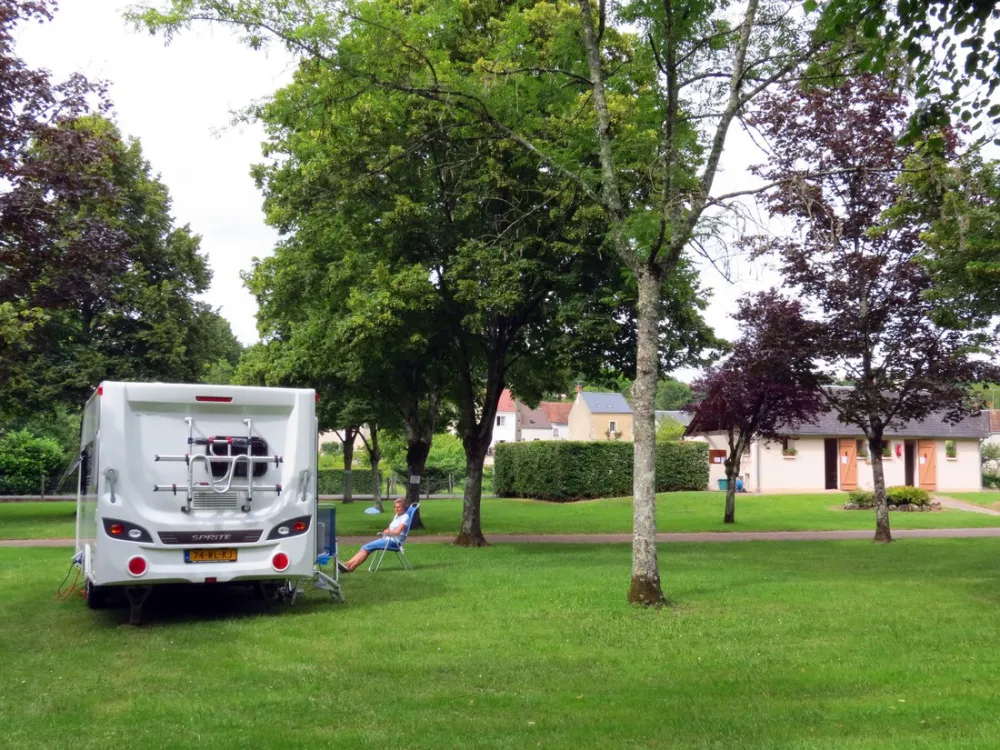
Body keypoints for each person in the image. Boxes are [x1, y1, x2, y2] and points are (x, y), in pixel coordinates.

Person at [338, 498, 411, 573]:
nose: (396, 509)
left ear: (404, 508)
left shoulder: (405, 517)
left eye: (399, 507)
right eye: (395, 507)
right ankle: (350, 567)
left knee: (366, 547)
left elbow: (397, 532)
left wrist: (388, 532)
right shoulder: (397, 516)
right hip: (388, 539)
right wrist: (386, 530)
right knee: (365, 548)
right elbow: (391, 527)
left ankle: (348, 565)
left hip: (394, 542)